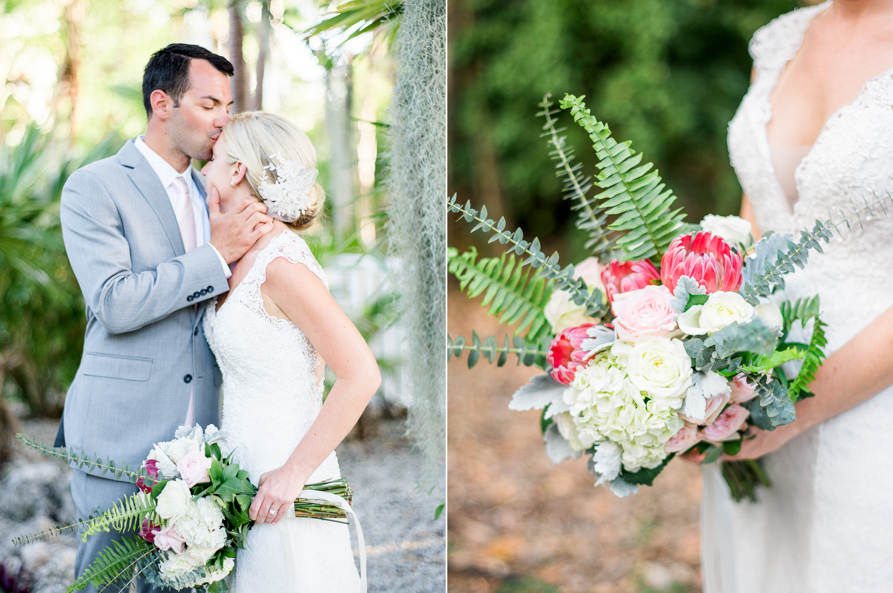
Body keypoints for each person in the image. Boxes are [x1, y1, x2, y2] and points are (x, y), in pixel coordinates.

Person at [58, 44, 272, 592]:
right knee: (102, 583)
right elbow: (114, 302)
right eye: (209, 104)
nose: (224, 119)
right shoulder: (95, 186)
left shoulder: (217, 191)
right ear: (163, 103)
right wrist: (211, 256)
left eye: (228, 105)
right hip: (116, 439)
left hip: (201, 453)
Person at [701, 1, 893, 590]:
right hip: (758, 396)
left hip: (872, 414)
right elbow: (756, 217)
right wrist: (699, 368)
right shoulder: (781, 41)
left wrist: (790, 417)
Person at [200, 111, 381, 592]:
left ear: (237, 170)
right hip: (238, 469)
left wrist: (292, 474)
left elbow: (361, 374)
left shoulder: (282, 266)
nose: (204, 170)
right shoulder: (236, 256)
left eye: (214, 158)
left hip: (284, 479)